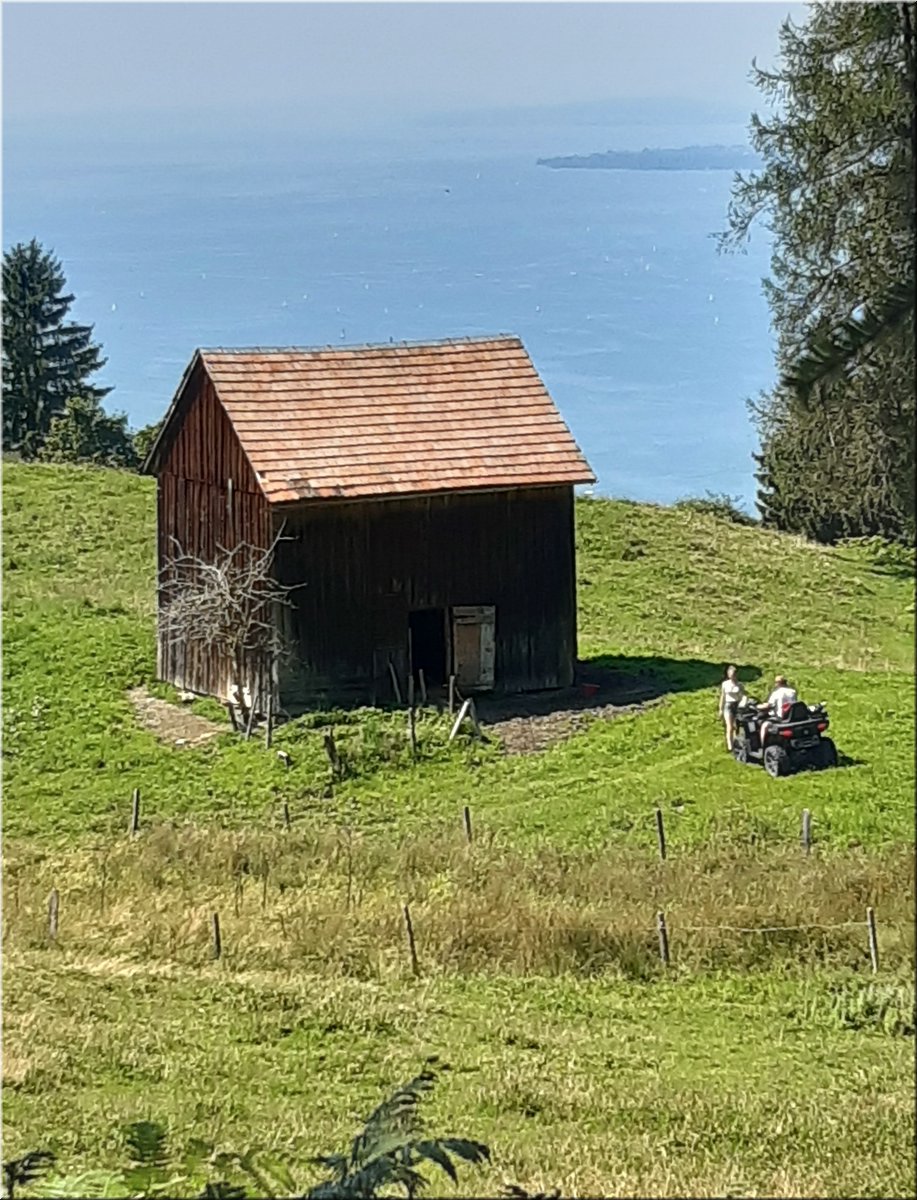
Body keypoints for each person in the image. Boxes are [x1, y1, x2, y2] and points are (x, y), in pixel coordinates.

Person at [758, 675, 798, 748]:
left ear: (778, 683)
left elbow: (768, 705)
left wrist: (758, 706)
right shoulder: (793, 691)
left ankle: (762, 746)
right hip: (791, 717)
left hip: (780, 718)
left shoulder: (777, 693)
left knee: (764, 725)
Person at [717, 664, 745, 751]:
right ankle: (730, 745)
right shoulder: (725, 684)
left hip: (737, 705)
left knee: (737, 725)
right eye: (731, 674)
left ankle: (736, 741)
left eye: (734, 674)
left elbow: (742, 696)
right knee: (729, 726)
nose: (732, 676)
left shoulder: (740, 685)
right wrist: (720, 709)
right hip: (728, 705)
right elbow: (723, 696)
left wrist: (743, 704)